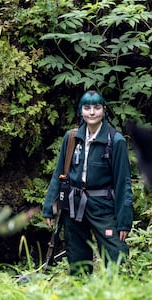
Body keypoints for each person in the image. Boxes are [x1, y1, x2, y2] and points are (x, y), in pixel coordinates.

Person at [42, 90, 133, 275]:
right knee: (77, 258)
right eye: (87, 108)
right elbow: (59, 173)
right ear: (81, 111)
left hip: (103, 206)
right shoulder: (72, 138)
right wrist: (49, 206)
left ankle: (118, 295)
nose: (92, 112)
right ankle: (81, 294)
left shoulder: (116, 141)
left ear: (104, 110)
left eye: (97, 108)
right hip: (74, 206)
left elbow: (124, 183)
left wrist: (124, 222)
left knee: (116, 256)